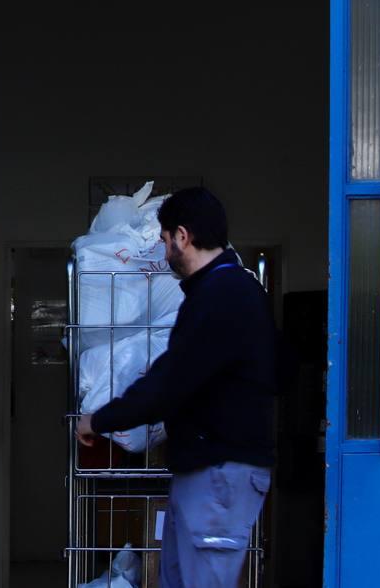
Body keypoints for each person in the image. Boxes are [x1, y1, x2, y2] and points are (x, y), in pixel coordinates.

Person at [75, 187, 279, 588]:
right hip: (207, 470)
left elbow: (172, 381)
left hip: (219, 474)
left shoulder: (224, 295)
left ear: (182, 237)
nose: (164, 251)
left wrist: (99, 420)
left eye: (165, 241)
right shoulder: (223, 291)